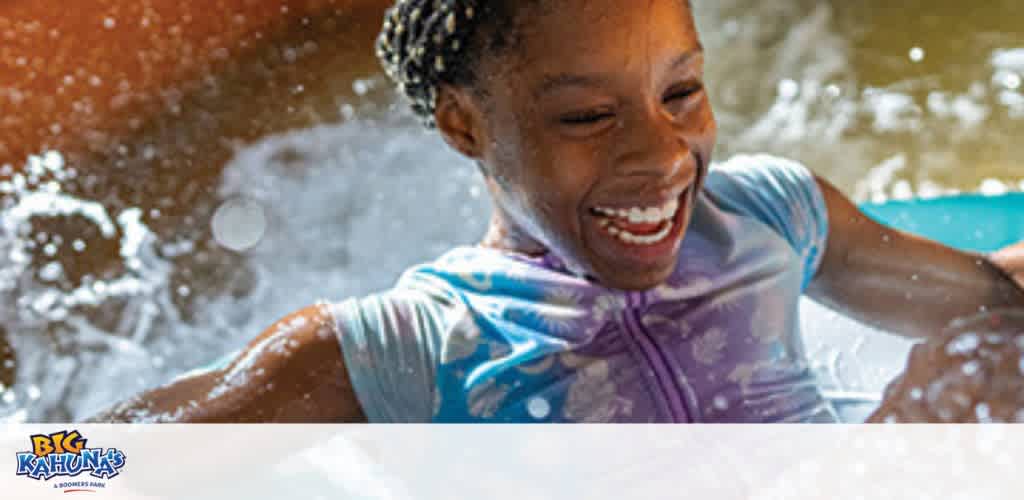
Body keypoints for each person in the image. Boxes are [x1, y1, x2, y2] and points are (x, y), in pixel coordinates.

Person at [90, 0, 1024, 423]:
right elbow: (98, 456)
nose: (661, 154)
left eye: (683, 90)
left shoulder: (771, 219)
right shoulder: (412, 352)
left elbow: (992, 302)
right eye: (586, 116)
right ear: (462, 125)